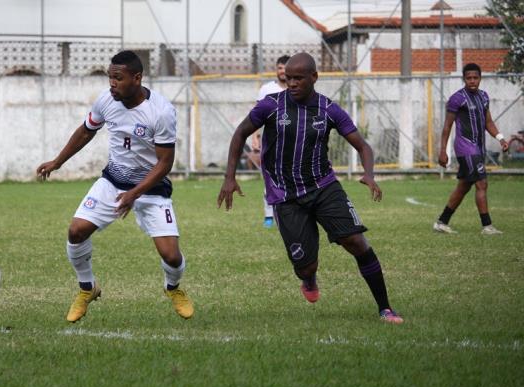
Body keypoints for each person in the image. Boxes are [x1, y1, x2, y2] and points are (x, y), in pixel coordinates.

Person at [217, 52, 403, 324]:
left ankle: (385, 308)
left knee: (357, 243)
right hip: (285, 195)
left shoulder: (329, 109)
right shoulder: (270, 106)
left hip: (324, 187)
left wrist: (369, 174)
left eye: (298, 78)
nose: (291, 83)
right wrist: (229, 177)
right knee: (306, 266)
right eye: (288, 78)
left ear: (314, 78)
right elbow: (240, 133)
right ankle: (309, 277)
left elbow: (363, 146)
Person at [36, 50, 194, 322]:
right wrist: (58, 161)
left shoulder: (161, 112)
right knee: (76, 231)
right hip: (113, 182)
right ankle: (87, 288)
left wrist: (135, 193)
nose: (112, 84)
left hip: (151, 189)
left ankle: (173, 288)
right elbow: (86, 130)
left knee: (171, 256)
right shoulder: (106, 100)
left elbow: (165, 164)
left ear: (136, 78)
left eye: (117, 78)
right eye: (110, 77)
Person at [433, 63, 509, 235]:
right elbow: (447, 126)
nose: (472, 81)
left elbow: (488, 122)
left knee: (464, 187)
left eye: (475, 78)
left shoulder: (484, 97)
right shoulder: (457, 98)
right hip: (465, 148)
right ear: (464, 79)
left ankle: (442, 222)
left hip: (478, 149)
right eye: (469, 78)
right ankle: (487, 226)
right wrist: (443, 150)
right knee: (482, 183)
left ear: (480, 78)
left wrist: (501, 138)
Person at [250, 55, 290, 228]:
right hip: (271, 142)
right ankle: (268, 215)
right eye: (280, 68)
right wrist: (255, 136)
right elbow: (256, 115)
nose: (282, 71)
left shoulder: (297, 88)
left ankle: (290, 213)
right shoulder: (267, 89)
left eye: (285, 68)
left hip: (293, 142)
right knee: (270, 180)